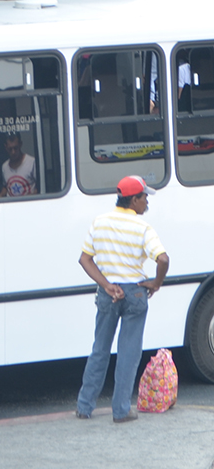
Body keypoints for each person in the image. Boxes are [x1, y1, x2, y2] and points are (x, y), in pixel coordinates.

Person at [76, 175, 169, 423]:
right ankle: (121, 410)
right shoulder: (143, 228)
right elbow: (163, 259)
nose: (147, 202)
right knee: (128, 352)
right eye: (144, 197)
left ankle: (84, 406)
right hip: (136, 292)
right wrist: (156, 283)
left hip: (109, 293)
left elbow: (85, 259)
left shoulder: (99, 222)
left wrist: (106, 285)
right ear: (134, 199)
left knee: (100, 349)